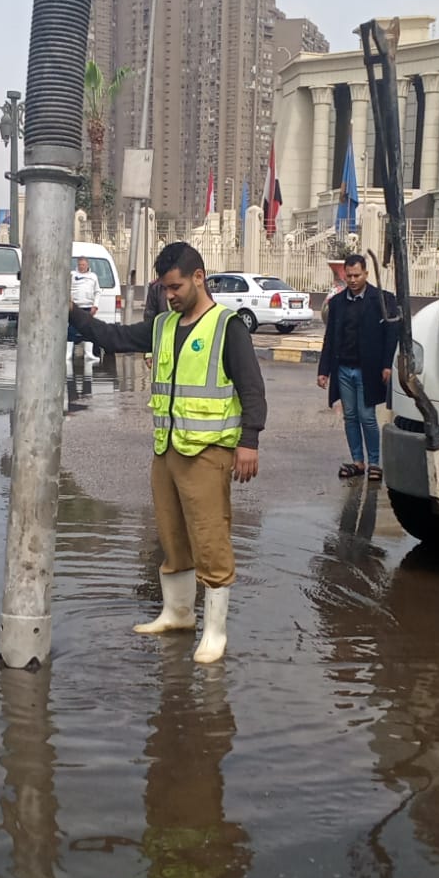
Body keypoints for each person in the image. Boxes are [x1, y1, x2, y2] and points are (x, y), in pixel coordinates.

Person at [69, 241, 266, 665]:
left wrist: (249, 441)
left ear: (198, 278)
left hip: (209, 452)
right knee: (171, 536)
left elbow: (252, 388)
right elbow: (114, 337)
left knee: (210, 539)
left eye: (175, 287)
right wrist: (72, 313)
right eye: (164, 289)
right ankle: (177, 614)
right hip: (168, 449)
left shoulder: (226, 326)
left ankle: (215, 632)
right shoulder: (162, 326)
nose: (169, 295)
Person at [317, 254, 398, 481]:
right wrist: (324, 371)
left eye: (357, 275)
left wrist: (387, 365)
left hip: (368, 369)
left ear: (366, 274)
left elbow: (391, 335)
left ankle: (374, 462)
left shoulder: (382, 300)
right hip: (343, 368)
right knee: (350, 416)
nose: (353, 280)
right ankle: (357, 461)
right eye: (349, 276)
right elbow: (330, 338)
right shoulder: (338, 303)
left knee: (367, 416)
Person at [69, 256, 99, 356]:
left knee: (88, 330)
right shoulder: (72, 275)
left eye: (83, 265)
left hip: (88, 307)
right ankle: (69, 354)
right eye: (80, 265)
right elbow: (66, 288)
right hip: (75, 307)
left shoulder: (93, 276)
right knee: (71, 331)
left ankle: (89, 354)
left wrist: (95, 306)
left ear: (87, 265)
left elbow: (97, 292)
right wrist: (70, 301)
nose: (81, 267)